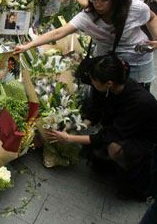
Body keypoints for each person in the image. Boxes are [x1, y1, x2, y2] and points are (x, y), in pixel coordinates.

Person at [14, 0, 157, 90]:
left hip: (136, 59)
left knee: (133, 96)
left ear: (117, 0)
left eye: (103, 0)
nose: (97, 4)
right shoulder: (88, 15)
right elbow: (59, 33)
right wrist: (27, 46)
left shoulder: (136, 9)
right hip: (105, 62)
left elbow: (152, 18)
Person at [45, 55, 157, 200]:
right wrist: (79, 125)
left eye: (93, 80)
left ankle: (139, 188)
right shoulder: (111, 87)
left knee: (114, 149)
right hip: (124, 129)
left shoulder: (138, 102)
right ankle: (111, 167)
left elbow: (109, 135)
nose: (92, 83)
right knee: (97, 152)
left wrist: (69, 138)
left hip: (144, 139)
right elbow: (95, 110)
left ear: (109, 83)